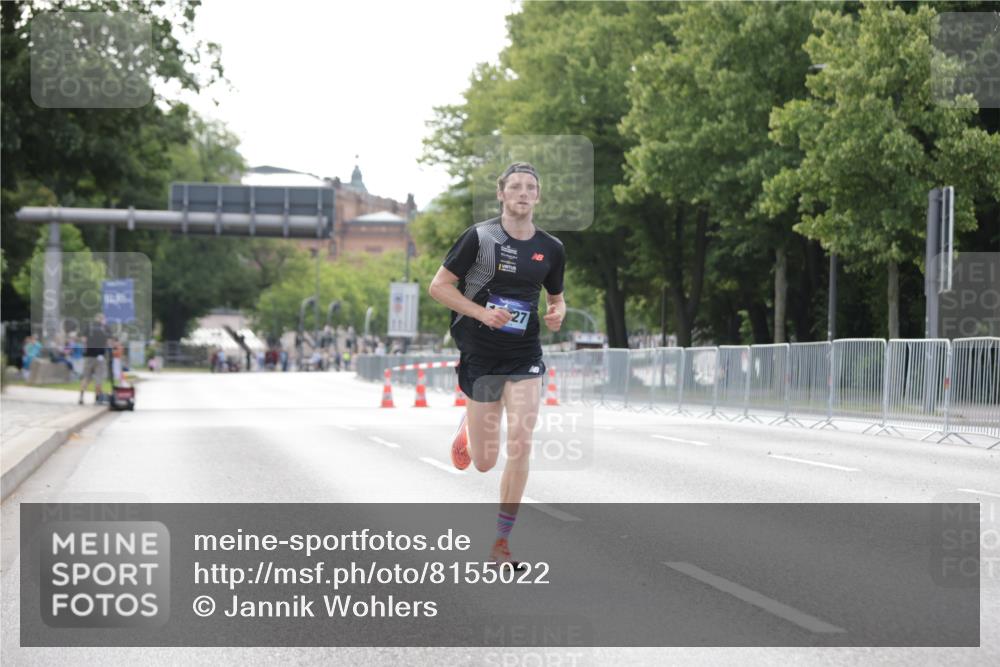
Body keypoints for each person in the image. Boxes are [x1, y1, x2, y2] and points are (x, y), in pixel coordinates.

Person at [428, 162, 566, 567]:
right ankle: (469, 433)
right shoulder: (480, 237)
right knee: (485, 462)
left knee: (521, 441)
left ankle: (501, 544)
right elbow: (439, 287)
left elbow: (556, 298)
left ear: (537, 196)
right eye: (516, 187)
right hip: (481, 353)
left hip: (525, 354)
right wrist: (481, 313)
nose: (523, 193)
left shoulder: (551, 248)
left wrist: (558, 312)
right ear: (502, 194)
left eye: (530, 188)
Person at [79, 314, 110, 404]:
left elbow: (83, 340)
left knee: (86, 378)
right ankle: (97, 399)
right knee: (98, 379)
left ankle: (81, 397)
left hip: (89, 356)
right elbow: (108, 342)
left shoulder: (89, 327)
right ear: (102, 320)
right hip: (100, 356)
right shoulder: (105, 328)